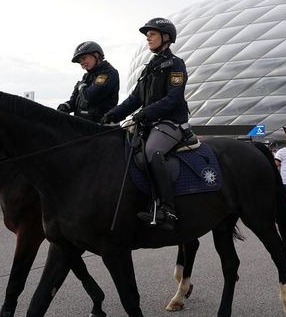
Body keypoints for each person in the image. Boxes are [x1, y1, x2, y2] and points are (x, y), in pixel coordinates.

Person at [101, 18, 189, 231]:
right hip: (149, 123)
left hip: (171, 123)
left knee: (152, 151)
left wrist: (144, 114)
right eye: (147, 35)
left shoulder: (176, 64)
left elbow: (173, 98)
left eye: (152, 34)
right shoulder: (150, 67)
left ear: (166, 37)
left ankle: (168, 210)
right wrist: (110, 115)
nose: (147, 37)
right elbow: (134, 99)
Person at [57, 41, 120, 122]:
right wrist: (66, 106)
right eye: (80, 61)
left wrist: (80, 87)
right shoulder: (87, 77)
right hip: (83, 126)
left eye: (84, 58)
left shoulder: (108, 73)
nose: (82, 63)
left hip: (102, 129)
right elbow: (75, 100)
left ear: (96, 55)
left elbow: (90, 97)